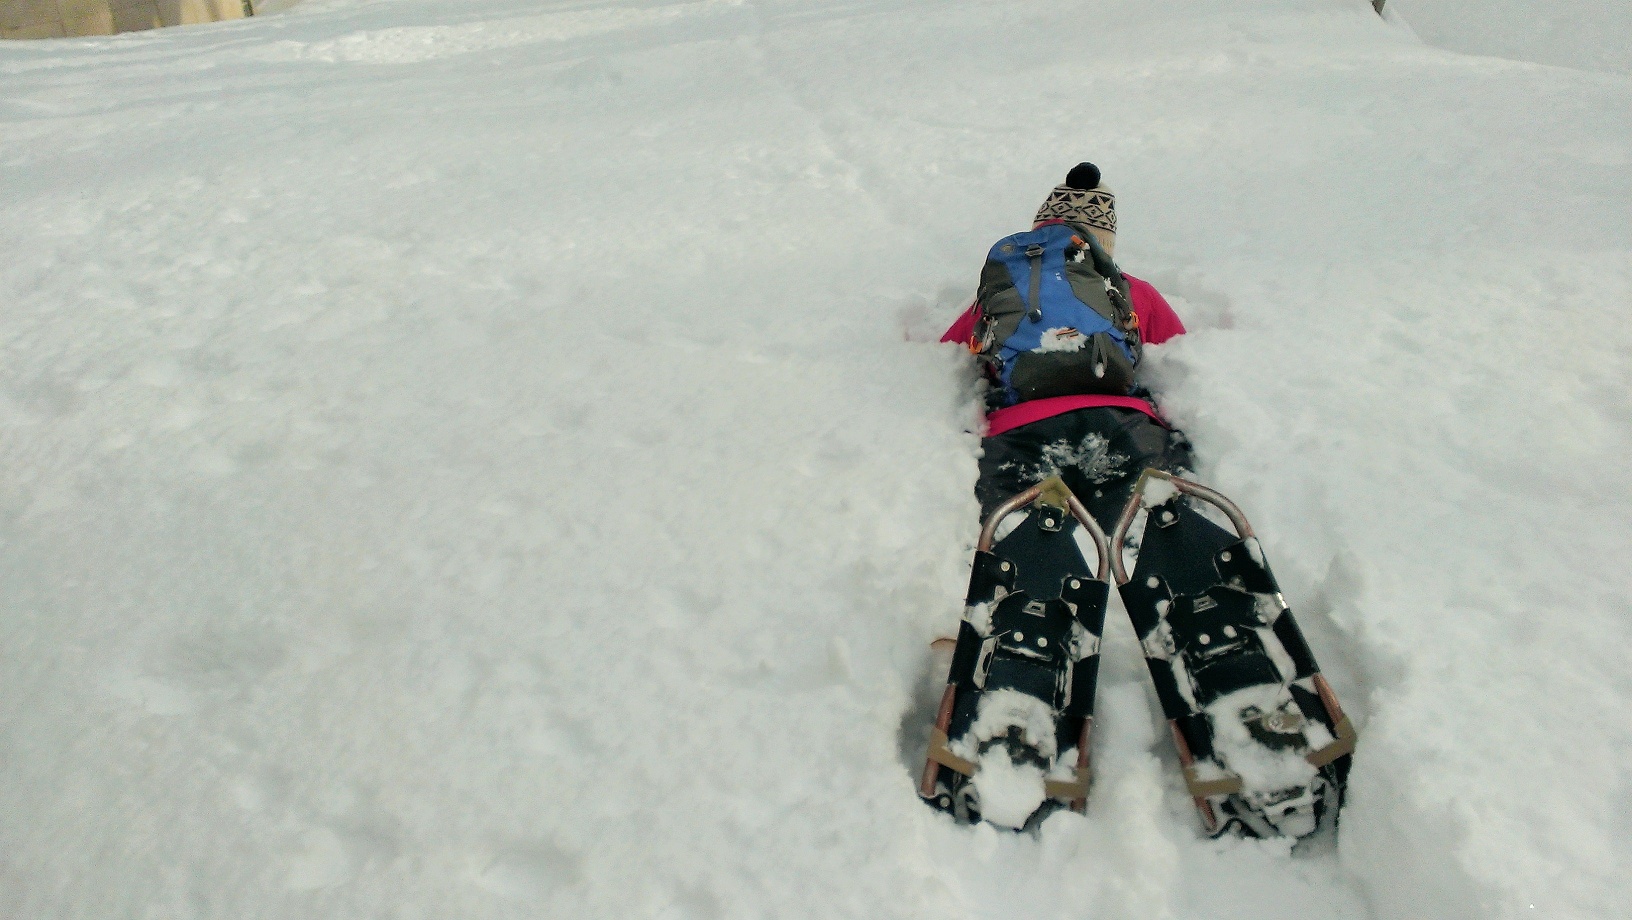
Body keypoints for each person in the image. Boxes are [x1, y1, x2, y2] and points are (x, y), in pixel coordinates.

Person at [942, 162, 1193, 531]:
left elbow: (944, 359)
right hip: (1124, 425)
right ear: (1101, 246)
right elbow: (1185, 364)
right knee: (1152, 533)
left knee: (1018, 542)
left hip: (1020, 430)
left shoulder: (1000, 295)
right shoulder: (1132, 290)